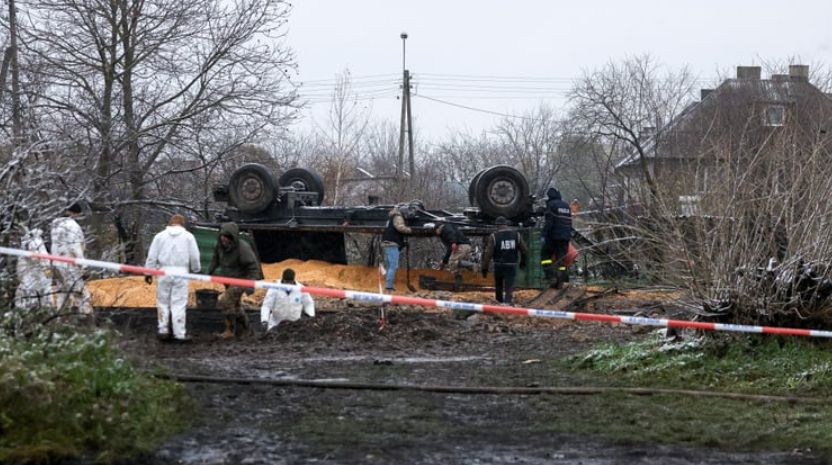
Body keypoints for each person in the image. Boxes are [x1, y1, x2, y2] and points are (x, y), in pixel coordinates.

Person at [144, 214, 201, 342]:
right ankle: (179, 333)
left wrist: (148, 273)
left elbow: (152, 256)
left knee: (163, 302)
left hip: (163, 272)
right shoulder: (188, 237)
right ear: (183, 224)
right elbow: (195, 256)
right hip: (181, 273)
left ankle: (163, 329)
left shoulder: (159, 236)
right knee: (179, 303)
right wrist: (196, 270)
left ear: (170, 224)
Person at [207, 222, 263, 339]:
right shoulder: (220, 246)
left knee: (225, 302)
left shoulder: (243, 248)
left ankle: (230, 331)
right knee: (235, 306)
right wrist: (210, 271)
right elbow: (215, 259)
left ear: (232, 237)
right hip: (228, 280)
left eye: (226, 237)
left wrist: (250, 284)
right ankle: (246, 330)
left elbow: (253, 267)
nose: (224, 240)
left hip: (241, 280)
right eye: (222, 236)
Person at [50, 202, 92, 314]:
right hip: (70, 265)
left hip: (57, 264)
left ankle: (59, 318)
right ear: (76, 213)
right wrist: (83, 266)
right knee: (81, 292)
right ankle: (84, 318)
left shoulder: (55, 225)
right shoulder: (73, 226)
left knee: (62, 293)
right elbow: (75, 247)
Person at [481, 216, 527, 305]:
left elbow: (488, 255)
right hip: (511, 264)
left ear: (497, 226)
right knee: (509, 286)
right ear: (506, 224)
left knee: (499, 286)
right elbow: (524, 250)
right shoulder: (516, 235)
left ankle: (499, 303)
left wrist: (484, 268)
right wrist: (523, 262)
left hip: (499, 265)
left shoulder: (494, 236)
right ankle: (507, 304)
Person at [541, 187, 573, 289]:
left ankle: (551, 277)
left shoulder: (551, 205)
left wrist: (543, 234)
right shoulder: (566, 206)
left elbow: (549, 222)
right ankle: (562, 279)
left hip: (553, 236)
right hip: (565, 237)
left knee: (545, 256)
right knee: (561, 259)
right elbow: (569, 222)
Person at [14, 227, 53, 310]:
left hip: (35, 274)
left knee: (31, 292)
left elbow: (42, 258)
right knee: (39, 293)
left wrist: (48, 272)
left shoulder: (32, 242)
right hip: (33, 273)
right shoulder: (31, 242)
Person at [380, 204, 413, 291]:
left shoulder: (390, 218)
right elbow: (400, 228)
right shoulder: (398, 217)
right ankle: (389, 286)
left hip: (386, 242)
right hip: (392, 243)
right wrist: (410, 230)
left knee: (388, 266)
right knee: (393, 266)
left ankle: (388, 285)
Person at [432, 222, 472, 288]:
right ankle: (470, 266)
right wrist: (444, 262)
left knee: (452, 261)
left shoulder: (445, 228)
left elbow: (451, 233)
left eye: (435, 231)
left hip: (461, 245)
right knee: (453, 260)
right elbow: (449, 250)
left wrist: (453, 242)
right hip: (464, 245)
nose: (436, 234)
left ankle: (458, 280)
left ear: (438, 228)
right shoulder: (446, 231)